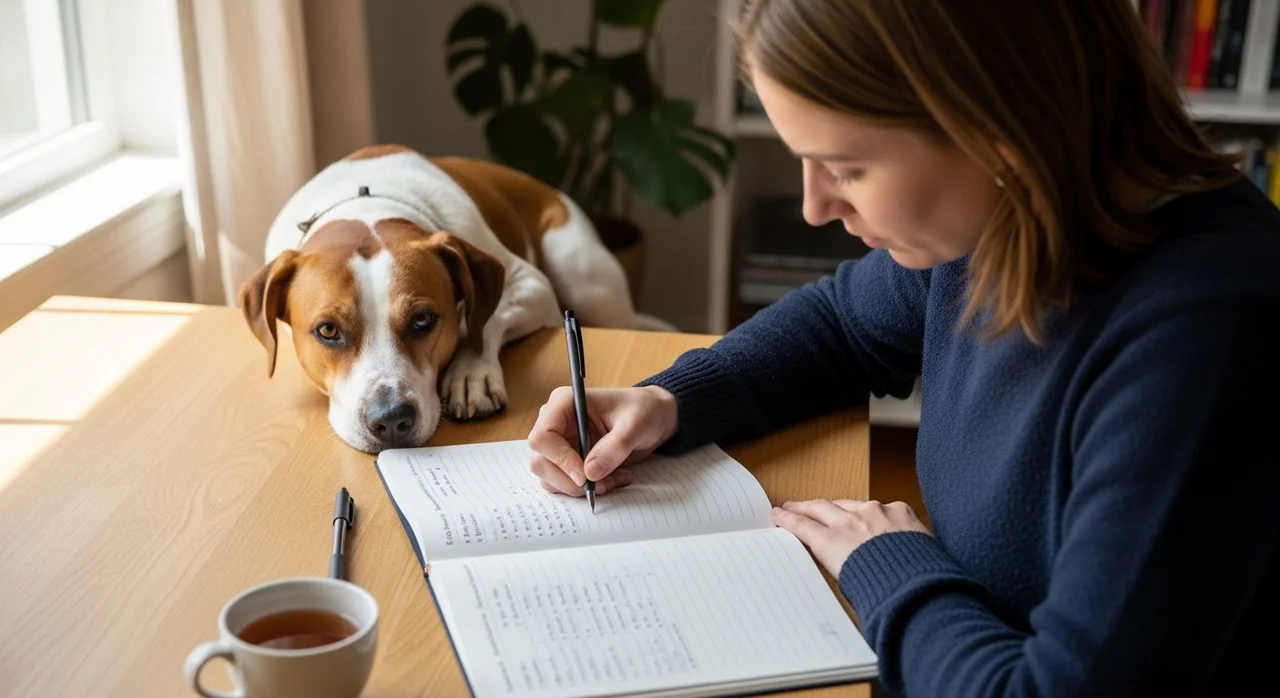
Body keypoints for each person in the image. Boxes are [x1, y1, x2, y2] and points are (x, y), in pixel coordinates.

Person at [526, 0, 1280, 696]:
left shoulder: (1202, 340)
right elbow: (842, 325)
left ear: (998, 124)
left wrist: (887, 564)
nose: (815, 206)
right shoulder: (1012, 212)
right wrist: (670, 400)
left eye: (848, 167)